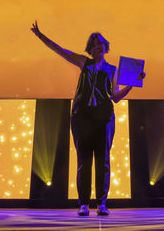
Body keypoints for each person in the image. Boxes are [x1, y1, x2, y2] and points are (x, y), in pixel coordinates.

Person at [30, 21, 145, 216]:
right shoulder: (84, 62)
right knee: (83, 161)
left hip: (104, 119)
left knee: (103, 162)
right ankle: (83, 204)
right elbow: (60, 50)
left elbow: (115, 98)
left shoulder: (113, 70)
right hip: (82, 118)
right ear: (90, 49)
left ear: (105, 46)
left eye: (100, 43)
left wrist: (133, 84)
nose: (97, 46)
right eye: (94, 44)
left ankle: (101, 203)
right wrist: (41, 36)